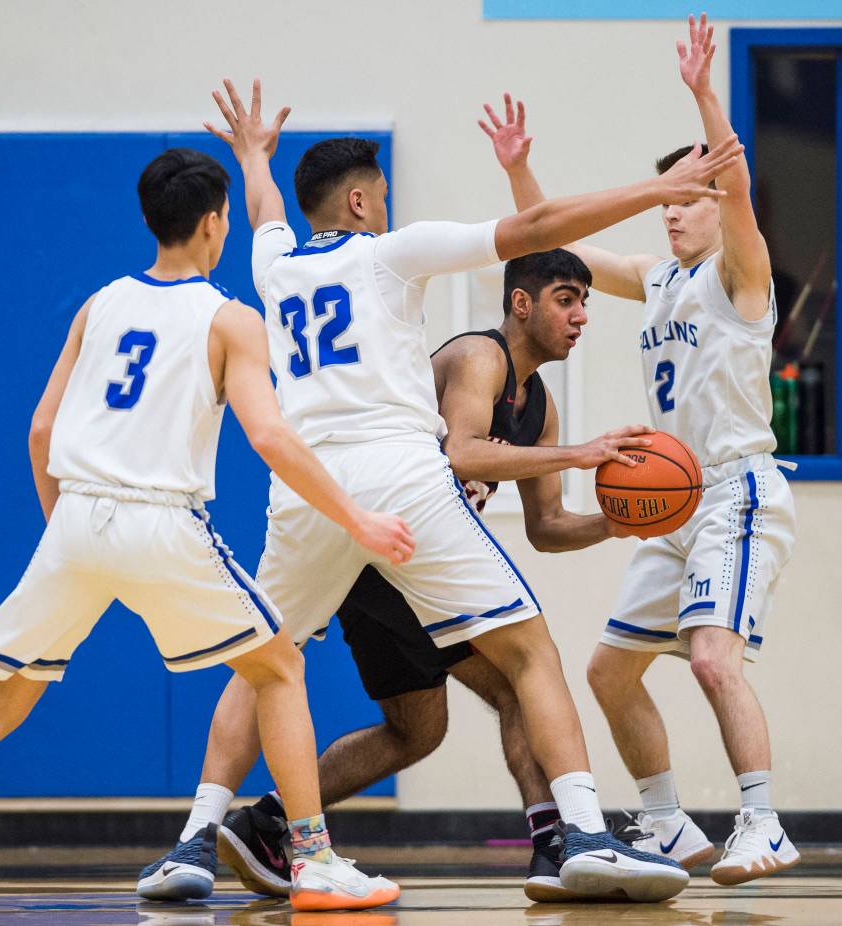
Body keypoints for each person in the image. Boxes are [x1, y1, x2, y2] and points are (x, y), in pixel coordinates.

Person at [138, 78, 741, 904]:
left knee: (265, 664)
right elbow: (534, 230)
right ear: (359, 200)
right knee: (529, 652)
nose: (385, 208)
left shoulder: (272, 261)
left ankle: (191, 845)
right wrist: (654, 190)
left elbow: (263, 210)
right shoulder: (389, 252)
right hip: (397, 477)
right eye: (379, 197)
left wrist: (251, 156)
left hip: (308, 491)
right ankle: (585, 835)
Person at [0, 147, 415, 916]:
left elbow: (41, 432)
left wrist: (72, 546)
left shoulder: (101, 302)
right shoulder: (230, 318)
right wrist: (360, 519)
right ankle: (313, 860)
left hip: (75, 519)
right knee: (277, 668)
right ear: (216, 224)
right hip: (161, 521)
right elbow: (272, 439)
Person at [210, 248, 651, 905]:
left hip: (394, 568)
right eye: (567, 298)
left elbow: (547, 526)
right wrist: (584, 454)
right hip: (387, 553)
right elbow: (463, 450)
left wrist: (617, 524)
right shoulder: (480, 357)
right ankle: (558, 841)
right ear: (522, 304)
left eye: (586, 301)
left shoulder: (540, 407)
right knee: (517, 678)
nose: (581, 314)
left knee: (416, 731)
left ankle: (265, 820)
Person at [492, 15, 799, 886]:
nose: (670, 212)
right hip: (677, 502)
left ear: (717, 204)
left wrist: (704, 97)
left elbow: (734, 183)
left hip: (738, 491)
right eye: (663, 200)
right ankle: (667, 825)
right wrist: (521, 168)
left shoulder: (742, 274)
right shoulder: (657, 278)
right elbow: (561, 247)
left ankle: (762, 821)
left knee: (709, 657)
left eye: (686, 198)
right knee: (609, 672)